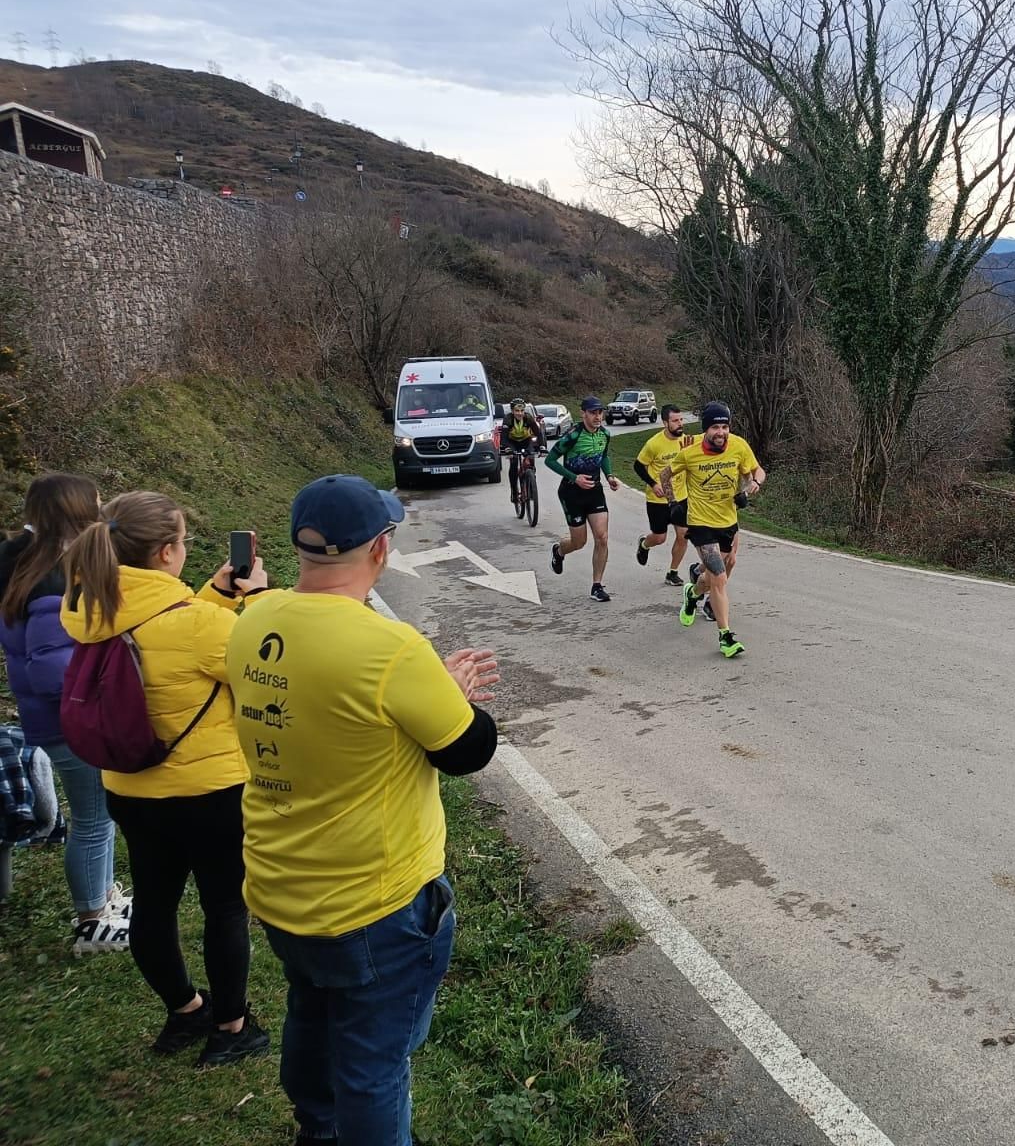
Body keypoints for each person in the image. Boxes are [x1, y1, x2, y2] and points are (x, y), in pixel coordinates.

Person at [229, 475, 499, 1146]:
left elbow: (333, 705)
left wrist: (426, 686)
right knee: (374, 1065)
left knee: (312, 1013)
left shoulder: (252, 618)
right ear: (380, 549)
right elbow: (467, 750)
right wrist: (447, 688)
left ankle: (316, 1131)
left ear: (301, 547)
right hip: (373, 902)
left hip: (279, 884)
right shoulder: (391, 649)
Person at [59, 491, 271, 1065]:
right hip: (210, 793)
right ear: (165, 554)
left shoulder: (90, 609)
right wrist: (260, 601)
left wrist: (217, 596)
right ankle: (231, 1029)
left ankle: (184, 1012)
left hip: (129, 788)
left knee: (155, 902)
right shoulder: (198, 625)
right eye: (183, 544)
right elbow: (259, 664)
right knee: (225, 907)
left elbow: (163, 635)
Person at [0, 473, 129, 955]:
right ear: (77, 511)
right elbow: (54, 672)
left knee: (96, 815)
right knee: (94, 818)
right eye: (96, 503)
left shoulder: (19, 561)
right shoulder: (55, 580)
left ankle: (104, 897)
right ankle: (93, 919)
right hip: (70, 721)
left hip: (51, 718)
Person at [673, 402, 766, 658]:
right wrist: (673, 502)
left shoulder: (738, 445)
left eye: (724, 426)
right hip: (701, 523)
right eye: (715, 426)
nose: (721, 432)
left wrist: (751, 487)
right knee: (719, 577)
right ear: (706, 429)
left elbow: (756, 471)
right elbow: (665, 474)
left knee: (728, 564)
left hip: (728, 521)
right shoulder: (690, 454)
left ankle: (692, 594)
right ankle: (725, 637)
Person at [545, 396, 622, 602]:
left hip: (594, 491)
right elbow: (549, 460)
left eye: (600, 412)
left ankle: (597, 585)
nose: (598, 417)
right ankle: (559, 551)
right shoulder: (572, 435)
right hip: (571, 492)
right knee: (579, 542)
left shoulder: (605, 434)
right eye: (593, 412)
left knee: (602, 537)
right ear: (583, 414)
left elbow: (604, 456)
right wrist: (574, 477)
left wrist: (610, 476)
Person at [633, 405, 699, 585]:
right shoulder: (653, 444)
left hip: (680, 496)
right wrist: (653, 484)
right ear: (665, 423)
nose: (680, 424)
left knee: (683, 534)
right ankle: (644, 544)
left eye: (681, 420)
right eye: (675, 421)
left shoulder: (686, 442)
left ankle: (672, 571)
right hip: (658, 499)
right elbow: (638, 466)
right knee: (660, 538)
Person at [500, 398, 546, 501]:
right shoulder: (508, 419)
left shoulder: (528, 418)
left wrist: (542, 447)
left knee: (530, 459)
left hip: (526, 441)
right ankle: (514, 491)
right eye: (517, 411)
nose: (520, 413)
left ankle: (531, 485)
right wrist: (507, 448)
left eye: (522, 411)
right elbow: (504, 437)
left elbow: (538, 433)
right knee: (514, 463)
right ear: (512, 411)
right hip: (512, 443)